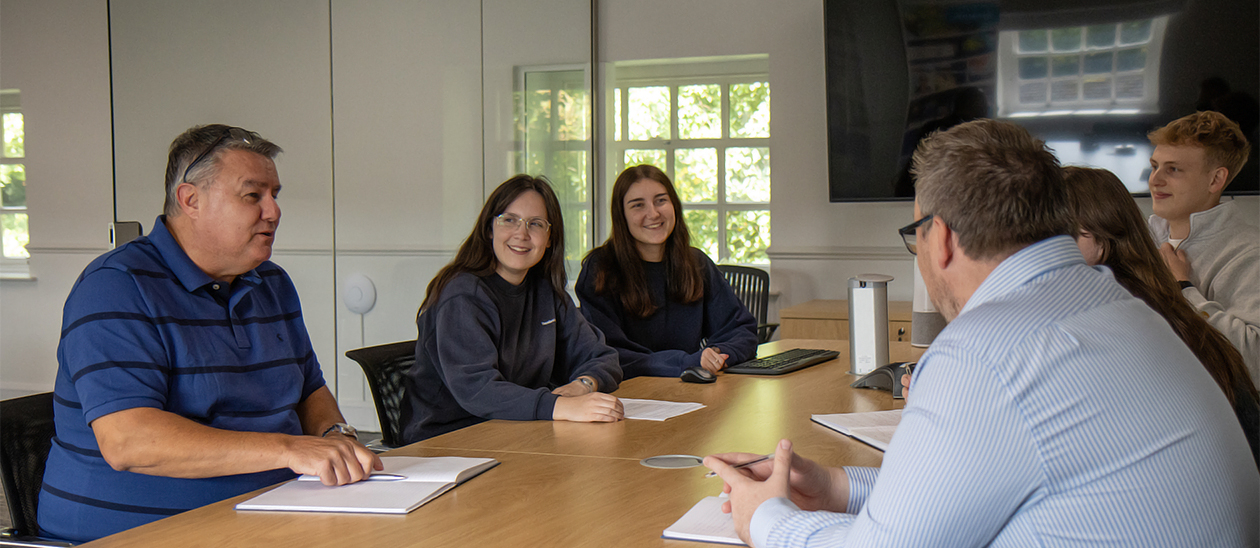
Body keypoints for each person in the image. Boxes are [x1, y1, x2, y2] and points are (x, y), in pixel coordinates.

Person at [705, 119, 1258, 547]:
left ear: (939, 238)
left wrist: (767, 519)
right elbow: (969, 487)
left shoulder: (987, 349)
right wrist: (835, 487)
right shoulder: (1114, 304)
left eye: (914, 235)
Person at [39, 125, 381, 543]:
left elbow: (309, 388)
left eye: (275, 195)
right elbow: (130, 441)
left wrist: (335, 439)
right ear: (191, 200)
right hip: (143, 531)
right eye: (253, 195)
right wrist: (289, 450)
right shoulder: (116, 286)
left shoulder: (271, 282)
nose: (273, 211)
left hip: (271, 509)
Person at [400, 175, 624, 443]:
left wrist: (582, 386)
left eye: (536, 224)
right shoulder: (463, 295)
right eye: (509, 220)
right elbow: (478, 390)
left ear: (550, 238)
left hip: (516, 430)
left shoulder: (546, 292)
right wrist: (558, 406)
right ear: (489, 229)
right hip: (448, 441)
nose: (522, 233)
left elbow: (603, 357)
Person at [1064, 165, 1260, 467]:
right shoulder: (1152, 295)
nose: (1154, 179)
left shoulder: (1115, 311)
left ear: (1102, 238)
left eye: (1060, 237)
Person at [575, 165, 758, 379]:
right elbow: (610, 354)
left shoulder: (696, 263)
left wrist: (716, 354)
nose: (653, 213)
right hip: (630, 395)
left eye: (661, 200)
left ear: (674, 205)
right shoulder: (600, 268)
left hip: (689, 388)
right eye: (638, 205)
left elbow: (741, 330)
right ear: (621, 215)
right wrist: (684, 362)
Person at [1146, 111, 1259, 375]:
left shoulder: (1250, 253)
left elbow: (1254, 358)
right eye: (1154, 166)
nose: (1155, 180)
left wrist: (1183, 288)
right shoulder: (1144, 238)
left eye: (1173, 169)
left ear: (1215, 180)